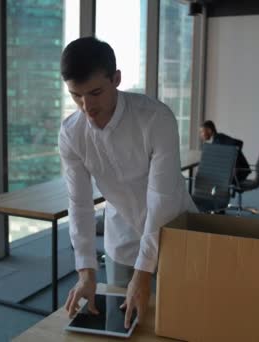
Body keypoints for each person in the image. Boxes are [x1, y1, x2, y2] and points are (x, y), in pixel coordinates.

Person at [58, 37, 197, 329]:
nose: (87, 107)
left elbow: (162, 201)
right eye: (76, 95)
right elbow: (80, 203)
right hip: (121, 237)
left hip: (175, 229)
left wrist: (144, 273)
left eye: (95, 92)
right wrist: (86, 271)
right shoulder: (72, 133)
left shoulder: (155, 119)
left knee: (179, 321)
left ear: (116, 79)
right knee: (124, 324)